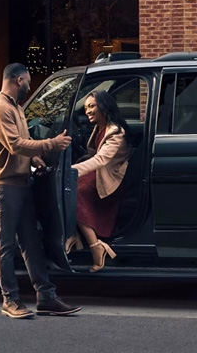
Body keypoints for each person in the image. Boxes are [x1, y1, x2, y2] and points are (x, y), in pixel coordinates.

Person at [0, 63, 81, 319]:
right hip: (3, 186)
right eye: (27, 81)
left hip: (20, 182)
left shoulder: (15, 107)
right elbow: (15, 145)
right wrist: (51, 144)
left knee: (31, 243)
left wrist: (33, 159)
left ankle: (46, 296)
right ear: (17, 80)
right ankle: (9, 301)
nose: (29, 85)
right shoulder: (0, 108)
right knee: (4, 245)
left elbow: (18, 148)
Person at [66, 91, 133, 272]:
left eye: (92, 106)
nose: (87, 111)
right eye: (86, 107)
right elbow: (93, 154)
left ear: (104, 106)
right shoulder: (99, 128)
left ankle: (97, 247)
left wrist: (71, 171)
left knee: (76, 192)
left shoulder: (116, 132)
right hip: (98, 172)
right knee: (67, 189)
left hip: (110, 178)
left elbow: (101, 159)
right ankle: (74, 235)